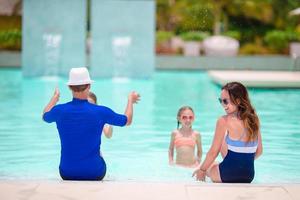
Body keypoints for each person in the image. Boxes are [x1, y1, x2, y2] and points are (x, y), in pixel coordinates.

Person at [42, 67, 140, 181]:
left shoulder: (60, 110)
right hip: (95, 173)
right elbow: (127, 120)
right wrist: (130, 100)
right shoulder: (101, 111)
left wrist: (54, 98)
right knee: (99, 152)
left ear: (69, 87)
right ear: (89, 86)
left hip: (66, 172)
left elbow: (45, 116)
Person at [193, 82, 263, 183]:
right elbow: (259, 151)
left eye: (225, 101)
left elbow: (213, 152)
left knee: (210, 166)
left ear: (238, 101)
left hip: (227, 174)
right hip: (248, 176)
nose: (222, 105)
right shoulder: (254, 119)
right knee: (226, 144)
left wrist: (202, 170)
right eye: (220, 101)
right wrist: (243, 164)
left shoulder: (223, 121)